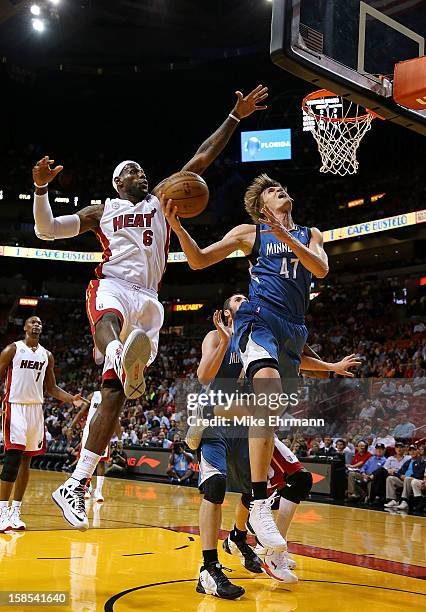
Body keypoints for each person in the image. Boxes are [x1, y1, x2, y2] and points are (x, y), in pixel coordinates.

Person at [32, 84, 268, 529]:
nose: (142, 174)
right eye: (133, 172)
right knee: (111, 321)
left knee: (115, 396)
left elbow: (200, 158)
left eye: (143, 171)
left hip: (151, 300)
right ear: (119, 182)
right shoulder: (101, 211)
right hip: (114, 284)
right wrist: (41, 189)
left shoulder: (163, 201)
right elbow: (46, 231)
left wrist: (235, 117)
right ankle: (119, 353)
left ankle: (75, 484)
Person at [165, 173, 329, 550]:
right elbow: (198, 260)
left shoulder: (311, 234)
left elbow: (320, 269)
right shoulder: (249, 233)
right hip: (260, 319)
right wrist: (176, 227)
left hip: (294, 328)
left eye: (282, 187)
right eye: (272, 190)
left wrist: (287, 237)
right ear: (261, 207)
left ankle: (217, 424)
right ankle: (257, 502)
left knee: (266, 410)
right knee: (267, 390)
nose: (280, 190)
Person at [193, 294, 358, 598]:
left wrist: (331, 367)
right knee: (215, 486)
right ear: (228, 313)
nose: (245, 299)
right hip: (218, 421)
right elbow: (204, 376)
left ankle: (242, 538)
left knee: (263, 487)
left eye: (246, 296)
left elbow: (297, 359)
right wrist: (225, 340)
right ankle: (211, 566)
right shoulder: (215, 337)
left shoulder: (259, 331)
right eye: (237, 299)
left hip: (249, 425)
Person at [0, 316, 82, 532]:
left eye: (40, 323)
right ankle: (1, 513)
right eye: (33, 322)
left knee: (27, 461)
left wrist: (71, 399)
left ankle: (15, 512)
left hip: (36, 409)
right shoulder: (12, 349)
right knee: (12, 459)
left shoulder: (47, 355)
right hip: (14, 406)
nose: (37, 325)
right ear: (25, 327)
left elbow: (52, 388)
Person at [70, 391, 121, 503]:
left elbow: (115, 419)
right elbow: (81, 412)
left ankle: (98, 491)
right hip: (89, 431)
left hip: (104, 431)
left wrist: (120, 438)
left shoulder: (113, 397)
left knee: (101, 462)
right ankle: (87, 488)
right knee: (85, 460)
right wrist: (71, 427)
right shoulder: (93, 395)